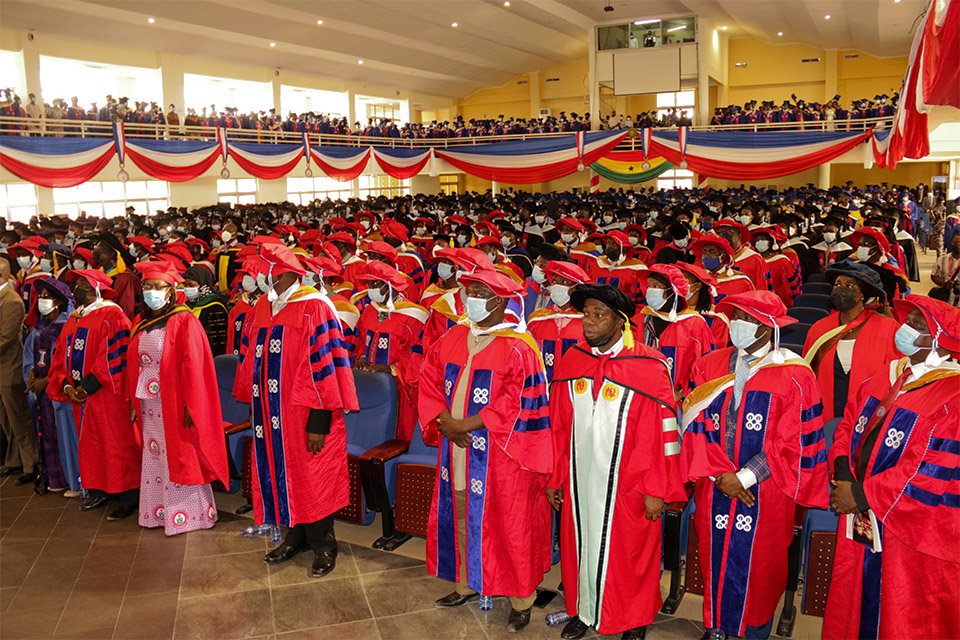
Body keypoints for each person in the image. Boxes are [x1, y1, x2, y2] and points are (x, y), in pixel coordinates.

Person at [681, 290, 828, 640]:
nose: (738, 326)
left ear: (770, 326)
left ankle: (754, 630)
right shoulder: (709, 365)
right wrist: (721, 474)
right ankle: (716, 624)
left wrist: (746, 477)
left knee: (761, 565)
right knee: (712, 553)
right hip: (714, 483)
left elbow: (795, 440)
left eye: (748, 320)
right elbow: (693, 426)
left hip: (769, 489)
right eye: (736, 318)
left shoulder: (794, 375)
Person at [546, 284, 685, 640]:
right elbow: (559, 427)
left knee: (631, 556)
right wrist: (556, 476)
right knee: (582, 547)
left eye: (599, 315)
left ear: (621, 322)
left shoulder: (649, 367)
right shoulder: (572, 361)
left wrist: (657, 489)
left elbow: (665, 435)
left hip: (631, 484)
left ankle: (634, 620)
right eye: (586, 314)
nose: (588, 323)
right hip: (580, 480)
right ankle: (584, 610)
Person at [418, 268, 552, 633]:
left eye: (478, 292)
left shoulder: (521, 347)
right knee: (461, 515)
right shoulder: (455, 334)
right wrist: (445, 420)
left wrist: (468, 424)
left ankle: (521, 598)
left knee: (508, 527)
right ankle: (466, 583)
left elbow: (521, 403)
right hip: (457, 448)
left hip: (502, 457)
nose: (469, 298)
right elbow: (429, 380)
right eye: (469, 291)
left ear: (499, 300)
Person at [823, 295, 960, 640]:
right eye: (907, 319)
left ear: (940, 338)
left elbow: (931, 469)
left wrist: (860, 494)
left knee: (896, 614)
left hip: (904, 530)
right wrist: (843, 473)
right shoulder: (886, 375)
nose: (904, 328)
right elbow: (847, 425)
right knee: (852, 602)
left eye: (916, 323)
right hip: (860, 512)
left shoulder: (953, 396)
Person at [232, 244, 358, 578]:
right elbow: (249, 358)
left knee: (312, 478)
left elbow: (326, 366)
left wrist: (320, 420)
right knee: (281, 475)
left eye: (265, 270)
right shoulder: (264, 305)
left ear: (285, 272)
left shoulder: (315, 307)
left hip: (305, 414)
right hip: (269, 414)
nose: (258, 277)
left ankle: (324, 544)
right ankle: (295, 537)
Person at [129, 261, 229, 535]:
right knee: (154, 454)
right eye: (147, 287)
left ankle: (189, 515)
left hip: (175, 401)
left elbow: (195, 365)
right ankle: (156, 512)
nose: (151, 292)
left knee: (181, 455)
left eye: (158, 287)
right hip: (149, 401)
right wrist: (132, 401)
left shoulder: (185, 320)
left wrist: (189, 403)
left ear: (171, 290)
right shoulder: (140, 322)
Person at [47, 269, 140, 520]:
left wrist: (85, 387)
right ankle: (102, 490)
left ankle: (128, 496)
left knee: (116, 444)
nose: (76, 289)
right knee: (92, 445)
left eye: (81, 284)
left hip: (108, 395)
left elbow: (114, 357)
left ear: (96, 288)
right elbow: (60, 355)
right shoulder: (76, 317)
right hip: (82, 398)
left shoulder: (113, 315)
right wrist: (66, 385)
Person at [803, 261, 900, 420]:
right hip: (825, 411)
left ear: (862, 295)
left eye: (849, 287)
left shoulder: (888, 329)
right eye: (837, 285)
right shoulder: (819, 329)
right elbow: (808, 376)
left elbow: (895, 379)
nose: (840, 290)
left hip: (868, 413)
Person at [353, 261, 427, 441]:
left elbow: (418, 357)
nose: (370, 289)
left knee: (399, 434)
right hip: (370, 386)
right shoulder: (370, 310)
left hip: (401, 387)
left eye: (376, 284)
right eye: (369, 284)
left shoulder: (415, 317)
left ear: (390, 286)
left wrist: (391, 369)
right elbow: (361, 340)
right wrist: (362, 358)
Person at [22, 278, 74, 494]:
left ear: (59, 302)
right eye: (40, 297)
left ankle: (69, 478)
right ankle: (51, 476)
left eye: (46, 297)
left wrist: (49, 381)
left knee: (63, 437)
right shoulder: (38, 329)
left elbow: (68, 361)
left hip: (58, 393)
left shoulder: (67, 326)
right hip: (40, 392)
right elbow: (29, 356)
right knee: (45, 433)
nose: (41, 301)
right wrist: (32, 375)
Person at [635, 264, 716, 400]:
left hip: (677, 402)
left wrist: (681, 394)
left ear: (673, 290)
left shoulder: (694, 324)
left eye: (656, 287)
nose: (650, 291)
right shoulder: (641, 320)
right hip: (640, 397)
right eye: (649, 286)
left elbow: (704, 366)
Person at [0, 258, 40, 483]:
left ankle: (31, 462)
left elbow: (5, 339)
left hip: (10, 367)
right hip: (2, 368)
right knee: (6, 418)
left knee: (19, 418)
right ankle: (14, 460)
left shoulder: (12, 301)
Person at [528, 260, 589, 383]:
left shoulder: (587, 322)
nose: (556, 286)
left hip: (576, 387)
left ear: (576, 287)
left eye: (564, 282)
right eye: (554, 281)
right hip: (543, 387)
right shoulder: (537, 320)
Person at [182, 264, 229, 356]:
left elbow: (218, 343)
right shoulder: (185, 306)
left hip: (207, 356)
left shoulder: (215, 307)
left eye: (191, 285)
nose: (187, 289)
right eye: (185, 285)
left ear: (203, 285)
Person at [91, 233, 141, 319]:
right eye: (96, 249)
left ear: (111, 254)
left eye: (101, 250)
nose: (96, 253)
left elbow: (126, 308)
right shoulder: (98, 273)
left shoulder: (125, 279)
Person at [930, 232, 960, 306]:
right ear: (951, 243)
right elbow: (934, 275)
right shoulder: (942, 259)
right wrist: (944, 283)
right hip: (945, 299)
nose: (958, 245)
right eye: (955, 243)